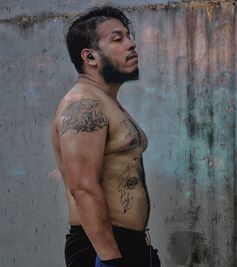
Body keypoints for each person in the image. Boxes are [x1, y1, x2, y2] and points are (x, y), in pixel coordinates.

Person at [51, 6, 160, 267]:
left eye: (128, 36)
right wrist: (111, 260)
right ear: (90, 57)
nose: (131, 44)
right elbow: (84, 187)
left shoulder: (105, 101)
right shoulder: (83, 104)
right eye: (117, 39)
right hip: (102, 250)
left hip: (128, 247)